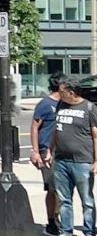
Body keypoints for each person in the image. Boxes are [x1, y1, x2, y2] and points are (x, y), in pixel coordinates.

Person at [45, 76, 97, 236]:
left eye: (61, 91)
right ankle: (66, 231)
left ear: (71, 92)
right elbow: (56, 130)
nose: (58, 94)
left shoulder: (89, 108)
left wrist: (96, 161)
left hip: (82, 162)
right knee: (64, 200)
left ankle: (89, 231)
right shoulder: (61, 104)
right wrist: (49, 151)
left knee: (87, 201)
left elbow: (96, 136)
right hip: (61, 161)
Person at [32, 73, 64, 236]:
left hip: (64, 153)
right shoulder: (45, 104)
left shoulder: (67, 104)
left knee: (63, 190)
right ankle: (51, 221)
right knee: (52, 189)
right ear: (59, 86)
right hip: (47, 153)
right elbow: (35, 127)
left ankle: (60, 219)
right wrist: (36, 152)